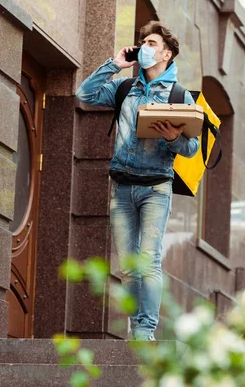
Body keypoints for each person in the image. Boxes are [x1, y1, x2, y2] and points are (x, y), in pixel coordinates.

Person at [76, 21, 199, 341]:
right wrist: (115, 64)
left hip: (156, 188)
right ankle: (135, 326)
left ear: (166, 54)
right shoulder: (124, 88)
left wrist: (174, 138)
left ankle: (145, 331)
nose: (145, 47)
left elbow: (191, 148)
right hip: (122, 187)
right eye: (143, 42)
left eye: (152, 43)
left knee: (148, 261)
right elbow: (84, 93)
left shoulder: (178, 94)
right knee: (129, 267)